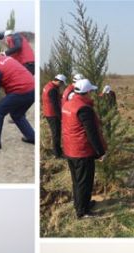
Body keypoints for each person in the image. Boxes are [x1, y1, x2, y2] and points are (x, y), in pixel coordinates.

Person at [61, 78, 107, 219]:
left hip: (70, 149)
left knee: (77, 180)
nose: (92, 94)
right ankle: (83, 212)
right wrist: (101, 152)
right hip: (82, 151)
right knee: (85, 182)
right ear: (86, 92)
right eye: (91, 91)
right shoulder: (84, 109)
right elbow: (92, 134)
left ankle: (82, 204)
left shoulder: (68, 104)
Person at [42, 74, 67, 158]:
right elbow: (55, 105)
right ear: (59, 81)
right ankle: (57, 153)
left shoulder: (48, 85)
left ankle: (57, 150)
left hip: (48, 112)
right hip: (52, 114)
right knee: (56, 133)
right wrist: (60, 118)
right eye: (62, 84)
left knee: (55, 133)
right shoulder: (52, 90)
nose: (62, 86)